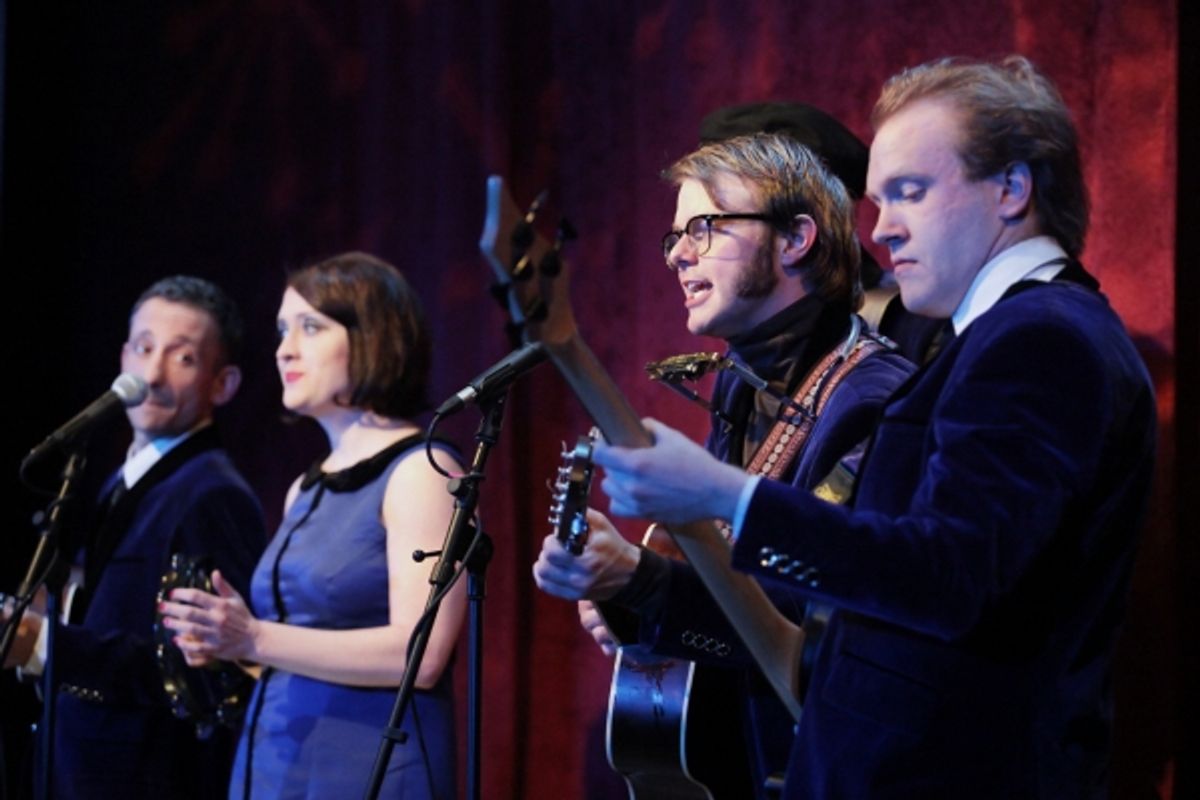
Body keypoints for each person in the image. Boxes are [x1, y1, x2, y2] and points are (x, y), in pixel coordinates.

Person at [583, 56, 1157, 799]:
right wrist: (649, 590)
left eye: (911, 193)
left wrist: (727, 498)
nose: (881, 230)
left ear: (1012, 188)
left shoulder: (1038, 339)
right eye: (879, 200)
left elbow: (945, 577)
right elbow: (854, 621)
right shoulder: (1013, 337)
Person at [533, 113, 913, 796]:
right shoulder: (740, 383)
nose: (679, 254)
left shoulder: (873, 397)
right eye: (676, 235)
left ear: (797, 238)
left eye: (705, 228)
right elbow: (727, 581)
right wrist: (624, 595)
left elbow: (810, 630)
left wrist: (645, 582)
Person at [160, 252, 466, 800]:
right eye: (281, 330)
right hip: (278, 757)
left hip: (371, 768)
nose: (284, 349)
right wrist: (228, 642)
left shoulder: (423, 471)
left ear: (372, 337)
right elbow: (298, 644)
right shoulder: (307, 485)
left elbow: (420, 655)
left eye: (310, 327)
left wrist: (253, 635)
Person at [2, 275, 268, 799]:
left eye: (183, 357)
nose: (151, 373)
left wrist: (41, 644)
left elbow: (200, 675)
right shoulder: (120, 480)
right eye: (144, 348)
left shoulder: (214, 494)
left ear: (224, 383)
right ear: (123, 355)